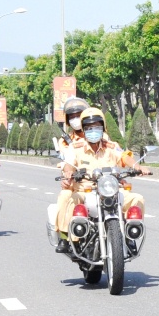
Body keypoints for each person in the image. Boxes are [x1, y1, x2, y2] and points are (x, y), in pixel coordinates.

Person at [56, 107, 150, 252]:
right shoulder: (75, 147)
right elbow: (69, 163)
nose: (93, 130)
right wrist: (69, 173)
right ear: (84, 129)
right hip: (85, 191)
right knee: (67, 197)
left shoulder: (111, 146)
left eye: (96, 127)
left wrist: (138, 167)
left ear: (103, 128)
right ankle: (67, 238)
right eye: (88, 127)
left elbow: (124, 157)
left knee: (137, 199)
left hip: (110, 190)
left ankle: (130, 236)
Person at [53, 97, 89, 252]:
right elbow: (66, 160)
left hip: (99, 182)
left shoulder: (100, 135)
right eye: (72, 117)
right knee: (64, 197)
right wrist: (67, 173)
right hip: (76, 183)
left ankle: (127, 235)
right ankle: (64, 237)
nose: (75, 119)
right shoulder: (66, 141)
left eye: (78, 115)